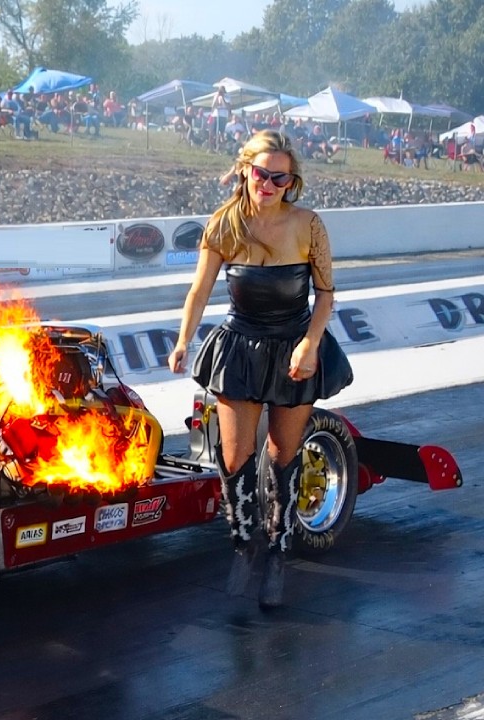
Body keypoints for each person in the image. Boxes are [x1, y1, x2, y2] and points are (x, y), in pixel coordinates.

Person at [167, 130, 353, 610]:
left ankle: (277, 552)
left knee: (283, 454)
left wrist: (310, 345)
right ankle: (243, 544)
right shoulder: (224, 223)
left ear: (292, 182)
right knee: (234, 456)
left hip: (294, 346)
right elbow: (198, 291)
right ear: (244, 170)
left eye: (279, 178)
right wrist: (184, 340)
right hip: (240, 347)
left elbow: (326, 295)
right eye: (261, 174)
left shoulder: (309, 225)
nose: (268, 184)